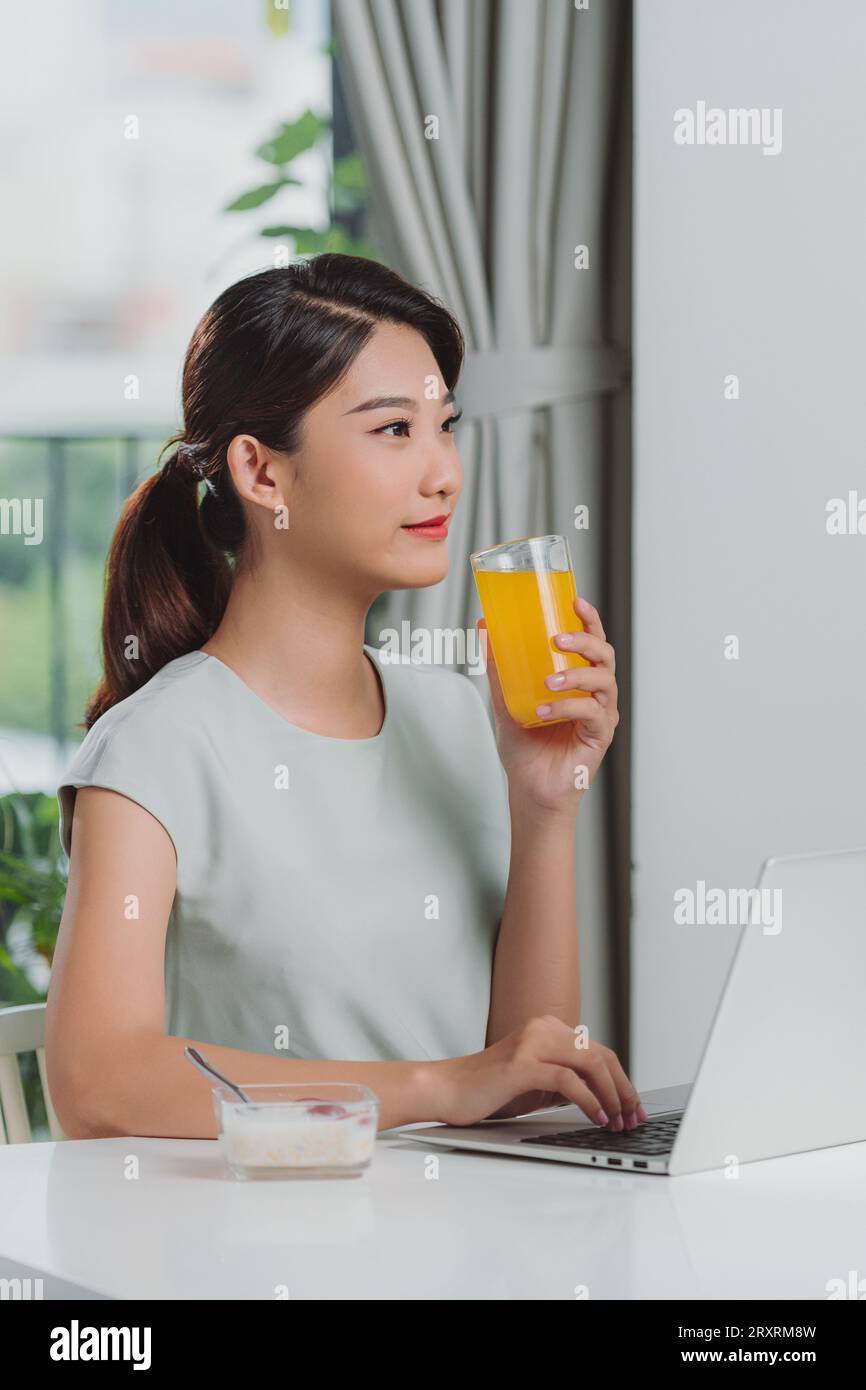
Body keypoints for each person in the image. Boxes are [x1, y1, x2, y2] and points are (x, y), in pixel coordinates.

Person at [45, 254, 645, 1139]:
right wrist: (442, 1087)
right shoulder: (155, 752)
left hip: (461, 1249)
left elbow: (524, 1079)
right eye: (393, 431)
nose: (443, 472)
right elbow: (98, 1078)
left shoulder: (456, 717)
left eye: (446, 426)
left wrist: (546, 804)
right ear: (261, 473)